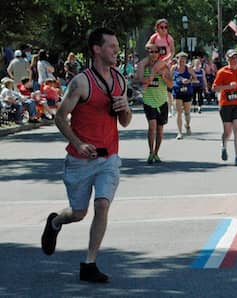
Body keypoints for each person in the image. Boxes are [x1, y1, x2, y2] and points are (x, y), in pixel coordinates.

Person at [40, 27, 132, 283]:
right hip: (81, 159)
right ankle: (56, 222)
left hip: (109, 157)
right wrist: (78, 144)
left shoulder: (120, 80)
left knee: (102, 205)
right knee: (79, 213)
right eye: (112, 46)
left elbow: (124, 121)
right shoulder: (81, 82)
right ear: (97, 49)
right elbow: (60, 117)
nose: (116, 51)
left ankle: (89, 263)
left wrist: (125, 109)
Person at [136, 42, 173, 163]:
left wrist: (163, 77)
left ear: (159, 53)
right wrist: (147, 80)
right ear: (148, 53)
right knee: (152, 127)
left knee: (160, 129)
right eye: (151, 52)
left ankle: (156, 153)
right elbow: (140, 81)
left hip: (162, 101)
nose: (153, 54)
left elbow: (171, 84)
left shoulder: (164, 67)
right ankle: (150, 152)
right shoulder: (144, 66)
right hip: (149, 101)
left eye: (156, 51)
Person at [212, 49, 237, 166]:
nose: (234, 60)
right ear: (227, 59)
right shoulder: (222, 72)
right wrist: (228, 86)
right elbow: (215, 88)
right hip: (226, 104)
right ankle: (224, 146)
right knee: (227, 131)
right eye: (231, 58)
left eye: (236, 57)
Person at [171, 51, 198, 139]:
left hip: (187, 92)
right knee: (179, 112)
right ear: (177, 60)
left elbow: (195, 79)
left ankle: (187, 125)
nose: (182, 62)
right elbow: (169, 79)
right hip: (177, 92)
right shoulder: (173, 68)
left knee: (187, 112)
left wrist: (189, 81)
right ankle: (179, 132)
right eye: (180, 60)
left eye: (183, 61)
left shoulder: (188, 68)